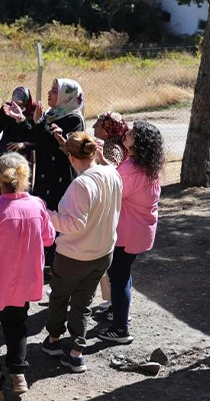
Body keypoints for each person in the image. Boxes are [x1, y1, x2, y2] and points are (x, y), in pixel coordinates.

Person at [0, 153, 55, 400]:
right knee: (17, 327)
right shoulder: (37, 205)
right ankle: (18, 374)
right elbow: (49, 238)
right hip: (22, 284)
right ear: (24, 176)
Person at [41, 132, 122, 373]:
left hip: (75, 255)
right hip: (103, 252)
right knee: (83, 302)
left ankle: (54, 340)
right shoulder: (113, 174)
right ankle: (76, 352)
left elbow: (74, 224)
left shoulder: (81, 184)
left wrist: (46, 215)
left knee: (59, 297)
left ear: (71, 157)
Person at [4, 78, 86, 270]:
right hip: (44, 176)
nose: (49, 94)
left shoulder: (74, 119)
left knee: (56, 221)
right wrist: (22, 120)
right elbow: (36, 138)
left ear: (67, 97)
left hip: (60, 179)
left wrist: (38, 122)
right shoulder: (51, 115)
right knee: (42, 217)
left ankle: (54, 265)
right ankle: (42, 260)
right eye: (51, 90)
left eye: (55, 91)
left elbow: (54, 144)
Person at [98, 120, 164, 344]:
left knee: (119, 277)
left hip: (127, 233)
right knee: (122, 274)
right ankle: (117, 311)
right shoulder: (146, 167)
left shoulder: (130, 170)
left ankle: (120, 329)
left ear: (140, 142)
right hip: (140, 232)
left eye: (133, 133)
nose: (128, 132)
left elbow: (110, 191)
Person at [91, 111, 129, 310]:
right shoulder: (109, 144)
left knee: (105, 257)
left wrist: (99, 158)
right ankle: (110, 298)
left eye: (98, 124)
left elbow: (111, 171)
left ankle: (113, 300)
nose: (94, 127)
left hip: (107, 207)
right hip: (106, 204)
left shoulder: (112, 148)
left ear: (107, 130)